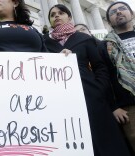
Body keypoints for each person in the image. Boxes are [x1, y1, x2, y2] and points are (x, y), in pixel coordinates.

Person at [43, 4, 131, 156]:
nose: (56, 16)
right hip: (61, 99)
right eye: (52, 14)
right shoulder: (44, 42)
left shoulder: (83, 38)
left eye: (61, 13)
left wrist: (98, 88)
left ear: (69, 17)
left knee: (104, 141)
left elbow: (100, 67)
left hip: (91, 95)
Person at [103, 1, 135, 153]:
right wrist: (114, 106)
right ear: (109, 21)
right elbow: (105, 77)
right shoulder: (104, 46)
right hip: (129, 107)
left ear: (132, 14)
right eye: (113, 12)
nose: (119, 12)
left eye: (122, 9)